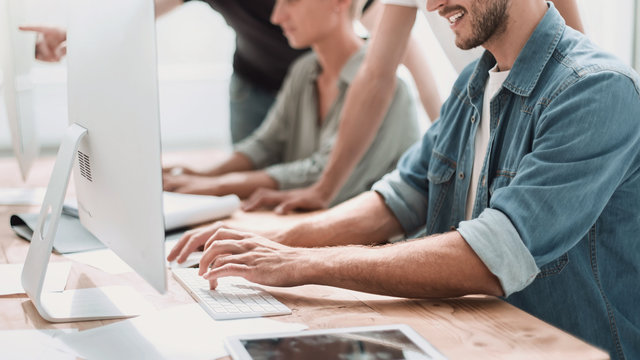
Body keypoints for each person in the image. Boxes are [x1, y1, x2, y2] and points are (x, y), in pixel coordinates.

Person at [168, 1, 640, 358]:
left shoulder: (596, 90)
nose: (432, 5)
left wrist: (301, 263)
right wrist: (269, 243)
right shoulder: (473, 84)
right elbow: (400, 196)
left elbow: (491, 256)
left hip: (557, 348)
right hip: (473, 334)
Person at [242, 0, 584, 213]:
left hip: (538, 107)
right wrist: (324, 190)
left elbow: (570, 55)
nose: (431, 6)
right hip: (482, 86)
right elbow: (376, 75)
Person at [19, 0, 442, 143]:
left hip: (325, 88)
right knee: (251, 189)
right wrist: (71, 34)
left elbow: (402, 45)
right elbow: (132, 13)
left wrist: (443, 122)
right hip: (254, 87)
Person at [162, 0, 419, 204]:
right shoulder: (303, 71)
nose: (276, 16)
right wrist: (202, 175)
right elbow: (265, 144)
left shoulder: (391, 88)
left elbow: (323, 173)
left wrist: (217, 186)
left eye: (291, 1)